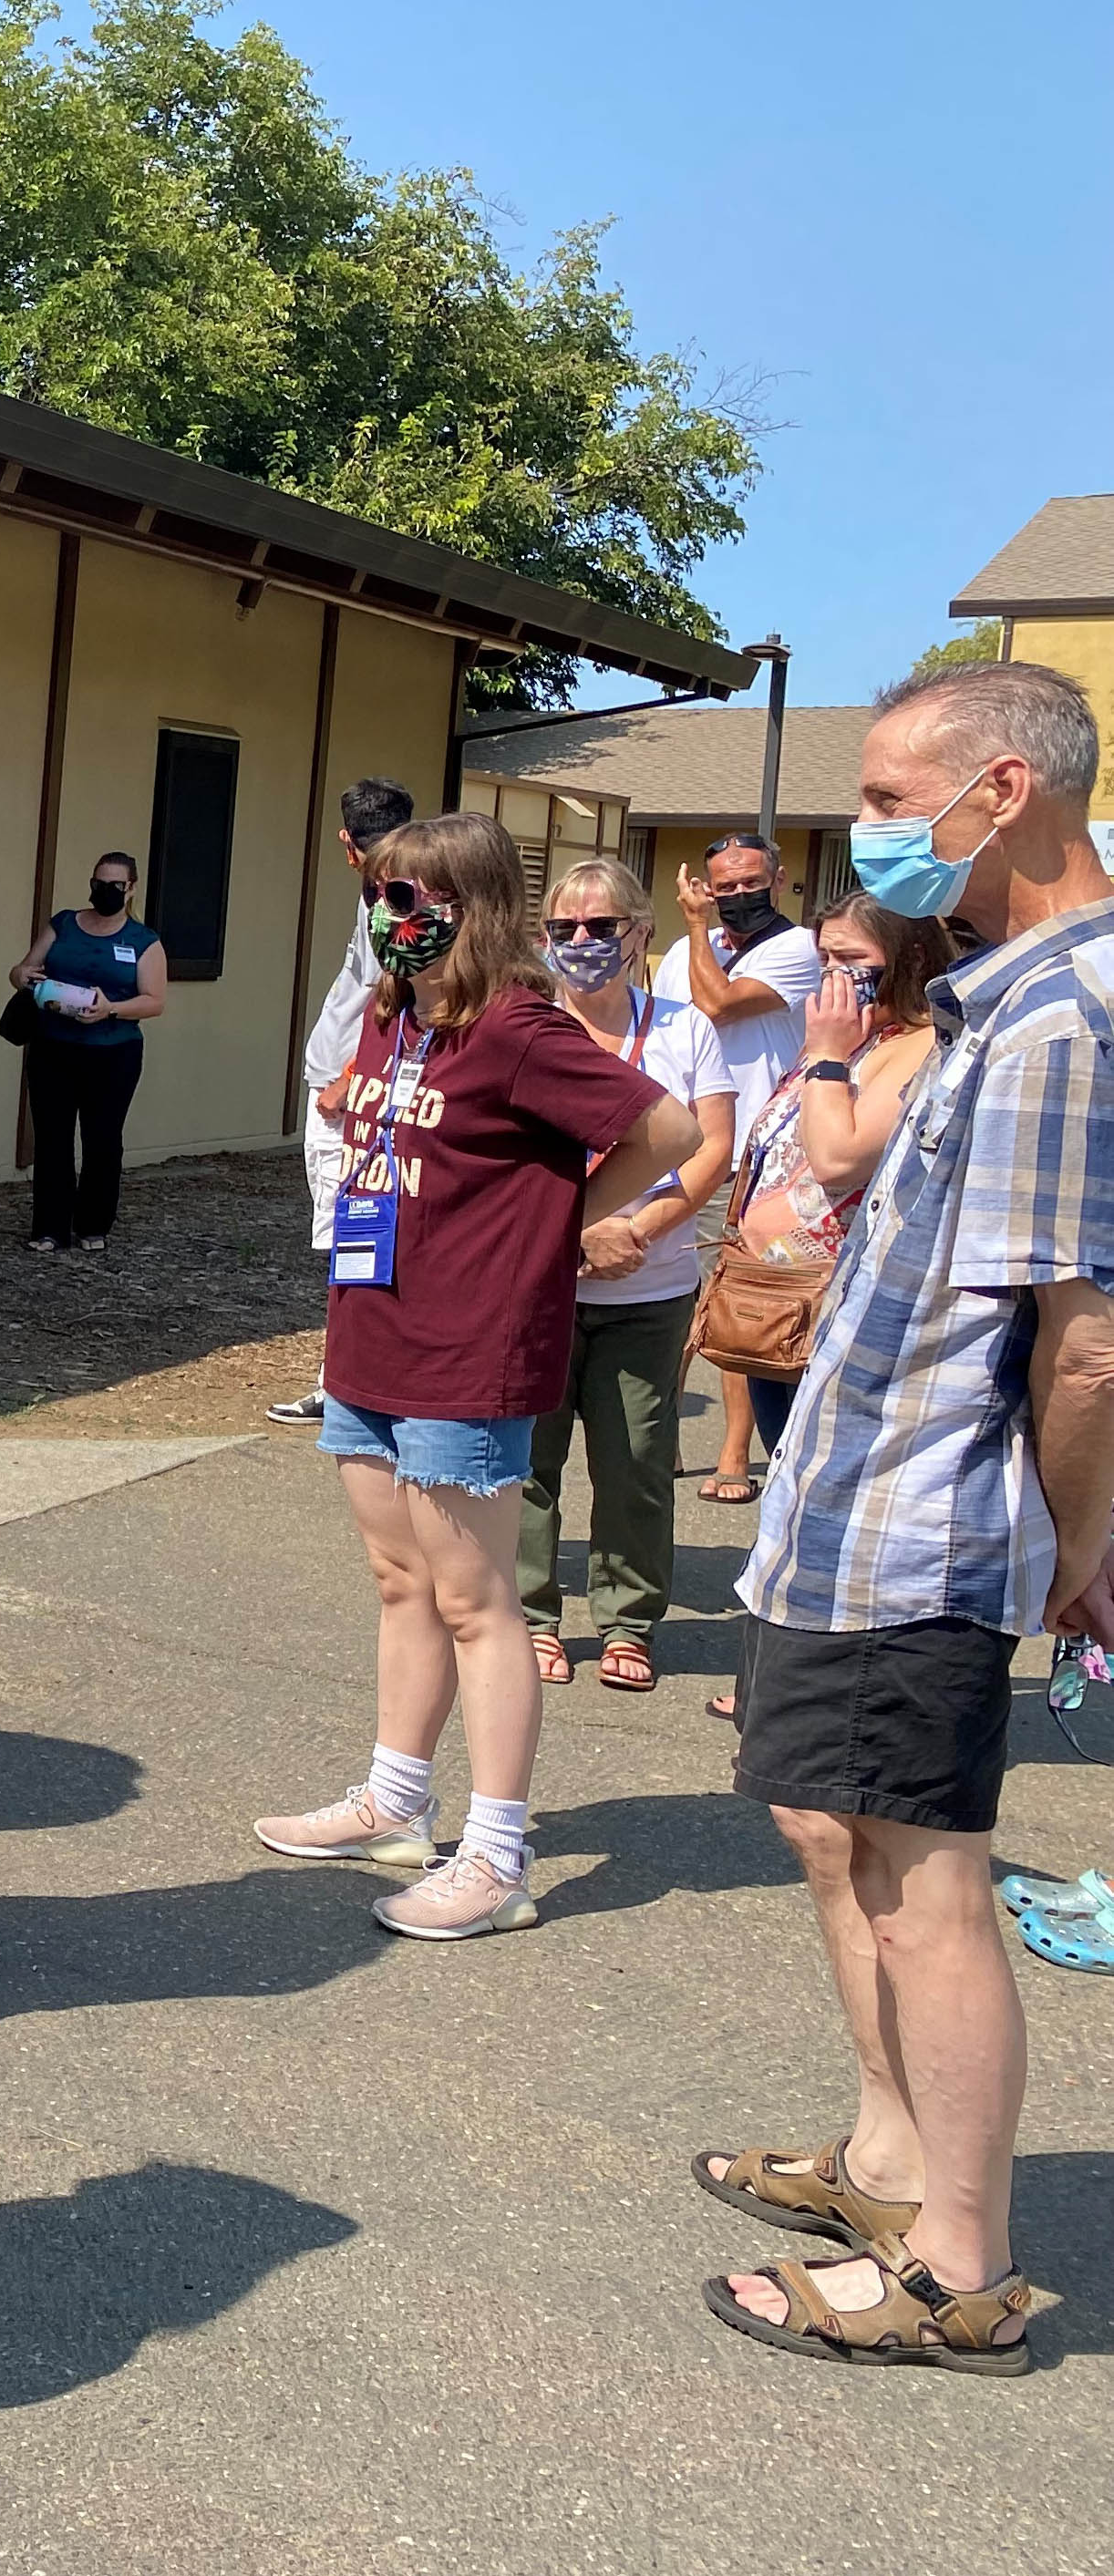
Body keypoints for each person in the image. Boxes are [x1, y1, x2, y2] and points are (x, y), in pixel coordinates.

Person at [696, 661, 1114, 2376]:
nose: (868, 829)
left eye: (887, 792)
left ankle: (956, 2269)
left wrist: (1080, 1555)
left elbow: (1079, 1342)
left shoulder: (1066, 1014)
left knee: (919, 1879)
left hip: (920, 1528)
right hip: (851, 1501)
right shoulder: (1004, 993)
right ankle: (888, 2164)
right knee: (834, 1836)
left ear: (997, 792)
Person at [251, 811, 702, 1942]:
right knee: (401, 1583)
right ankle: (395, 1802)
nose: (386, 919)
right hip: (371, 1335)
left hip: (470, 1352)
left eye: (411, 900)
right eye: (378, 897)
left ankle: (497, 1854)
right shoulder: (394, 1015)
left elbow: (669, 1128)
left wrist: (564, 1225)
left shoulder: (518, 1025)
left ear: (473, 906)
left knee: (475, 1599)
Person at [694, 896, 950, 1723]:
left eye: (852, 961)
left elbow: (837, 1158)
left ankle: (805, 1688)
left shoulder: (920, 1050)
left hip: (840, 1315)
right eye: (824, 959)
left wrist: (828, 1055)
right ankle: (778, 1676)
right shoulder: (854, 1042)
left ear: (908, 958)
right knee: (790, 1501)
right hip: (775, 1306)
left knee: (824, 1505)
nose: (832, 979)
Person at [515, 858, 737, 1695]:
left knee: (637, 1460)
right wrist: (576, 1232)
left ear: (640, 933)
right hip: (537, 1287)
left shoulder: (683, 1029)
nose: (581, 942)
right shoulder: (527, 1027)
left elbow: (711, 1146)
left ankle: (627, 1621)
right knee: (524, 1461)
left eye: (601, 927)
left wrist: (637, 1229)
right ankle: (531, 1616)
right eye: (563, 928)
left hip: (649, 1287)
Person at [655, 832, 825, 1504]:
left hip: (758, 1158)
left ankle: (733, 1452)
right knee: (667, 1297)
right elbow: (670, 1026)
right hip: (680, 1144)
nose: (735, 897)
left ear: (778, 880)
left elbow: (719, 1003)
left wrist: (697, 928)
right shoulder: (678, 953)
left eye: (749, 883)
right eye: (721, 887)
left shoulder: (797, 948)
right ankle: (658, 1433)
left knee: (739, 1304)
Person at [270, 778, 416, 1425]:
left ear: (344, 843)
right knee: (355, 1238)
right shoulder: (383, 892)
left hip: (350, 1095)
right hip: (342, 1081)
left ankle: (348, 1383)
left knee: (352, 1239)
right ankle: (355, 1376)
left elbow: (403, 995)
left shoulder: (399, 898)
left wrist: (352, 1079)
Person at [6, 850, 169, 1251]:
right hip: (53, 1047)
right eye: (98, 884)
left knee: (102, 1139)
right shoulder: (64, 924)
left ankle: (94, 1224)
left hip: (113, 1052)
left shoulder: (143, 941)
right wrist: (23, 976)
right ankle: (49, 1228)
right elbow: (22, 969)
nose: (104, 892)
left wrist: (110, 1009)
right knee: (51, 1137)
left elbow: (154, 1001)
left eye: (114, 886)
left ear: (130, 888)